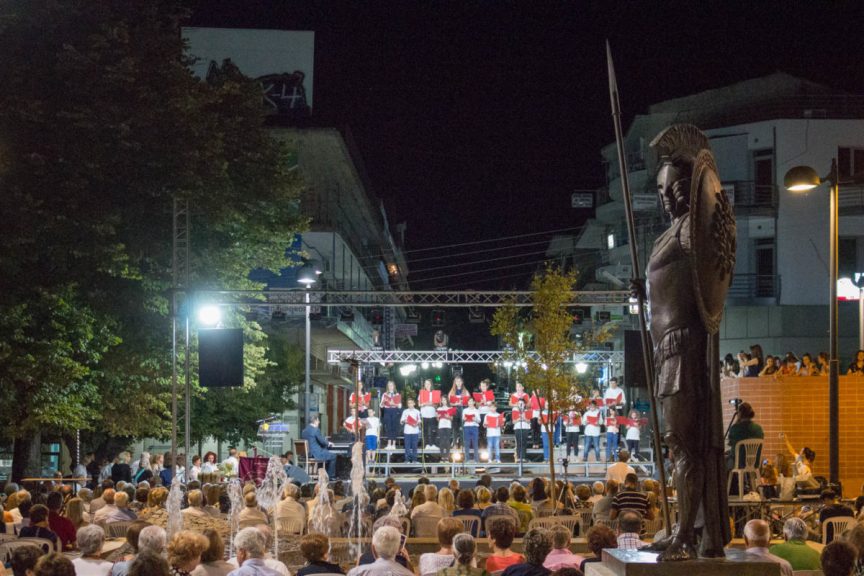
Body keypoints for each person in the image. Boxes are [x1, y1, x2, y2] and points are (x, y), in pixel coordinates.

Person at [639, 124, 734, 559]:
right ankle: (684, 528)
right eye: (662, 192)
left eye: (674, 189)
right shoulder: (667, 232)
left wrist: (694, 166)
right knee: (677, 443)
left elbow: (713, 248)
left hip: (683, 346)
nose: (667, 198)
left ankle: (686, 535)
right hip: (665, 348)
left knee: (685, 444)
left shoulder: (688, 230)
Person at [346, 526, 414, 576]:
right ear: (398, 550)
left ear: (373, 549)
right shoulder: (408, 574)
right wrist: (408, 562)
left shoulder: (357, 573)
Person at [727, 402, 764, 470]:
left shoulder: (735, 428)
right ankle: (747, 479)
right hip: (755, 463)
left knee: (724, 460)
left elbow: (730, 444)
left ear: (739, 414)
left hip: (739, 463)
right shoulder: (759, 428)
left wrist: (737, 422)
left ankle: (733, 480)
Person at [381, 380, 402, 451]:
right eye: (389, 385)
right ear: (387, 386)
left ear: (394, 386)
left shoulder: (397, 394)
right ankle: (389, 444)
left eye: (391, 385)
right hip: (387, 411)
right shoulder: (384, 394)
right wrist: (383, 402)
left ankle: (393, 444)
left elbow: (399, 406)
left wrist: (394, 404)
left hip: (394, 411)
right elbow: (381, 406)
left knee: (394, 427)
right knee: (388, 427)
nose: (390, 387)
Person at [419, 379, 440, 450]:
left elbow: (437, 405)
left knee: (433, 430)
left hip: (432, 414)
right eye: (425, 384)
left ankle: (433, 444)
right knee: (425, 430)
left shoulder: (434, 393)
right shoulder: (421, 393)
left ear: (431, 385)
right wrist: (425, 403)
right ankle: (426, 444)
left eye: (428, 384)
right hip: (424, 414)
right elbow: (419, 404)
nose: (427, 385)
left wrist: (432, 404)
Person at [401, 398, 422, 463]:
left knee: (414, 446)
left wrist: (416, 424)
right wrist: (405, 421)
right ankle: (407, 459)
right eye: (409, 403)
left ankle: (414, 459)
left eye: (411, 403)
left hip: (415, 431)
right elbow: (401, 421)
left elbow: (419, 421)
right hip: (407, 431)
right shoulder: (405, 411)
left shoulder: (417, 411)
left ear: (414, 403)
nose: (410, 404)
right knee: (407, 446)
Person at [462, 398, 480, 463]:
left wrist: (474, 419)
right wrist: (464, 419)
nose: (470, 403)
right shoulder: (465, 410)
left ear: (474, 402)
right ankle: (467, 459)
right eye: (469, 401)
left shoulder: (476, 410)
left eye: (471, 401)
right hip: (467, 427)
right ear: (468, 403)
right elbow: (463, 419)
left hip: (474, 427)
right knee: (467, 444)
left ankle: (476, 459)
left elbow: (479, 421)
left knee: (475, 443)